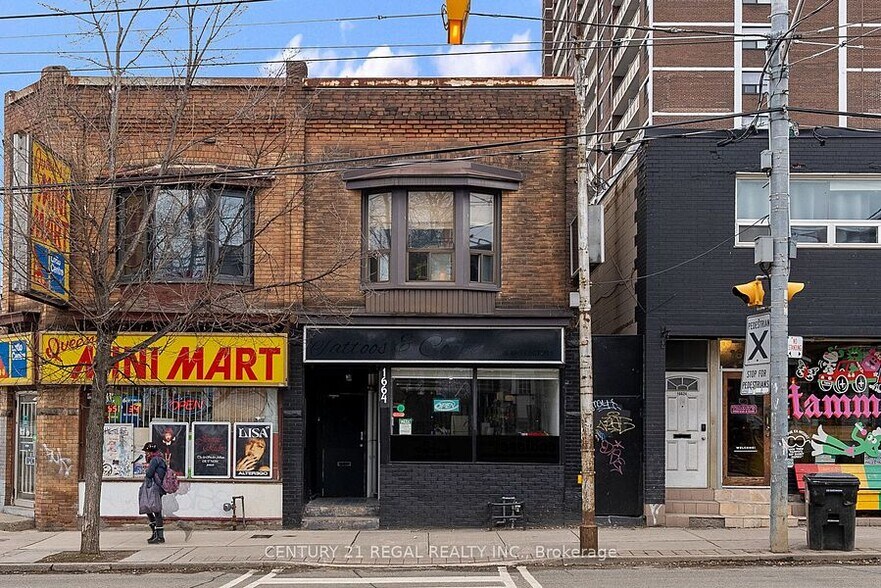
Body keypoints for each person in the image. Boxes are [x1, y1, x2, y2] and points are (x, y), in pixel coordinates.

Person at [142, 442, 167, 544]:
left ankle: (159, 536)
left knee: (155, 510)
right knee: (150, 508)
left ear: (150, 451)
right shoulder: (159, 459)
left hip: (154, 487)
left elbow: (149, 474)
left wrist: (147, 467)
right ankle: (156, 533)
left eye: (147, 451)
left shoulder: (155, 460)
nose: (146, 454)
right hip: (156, 487)